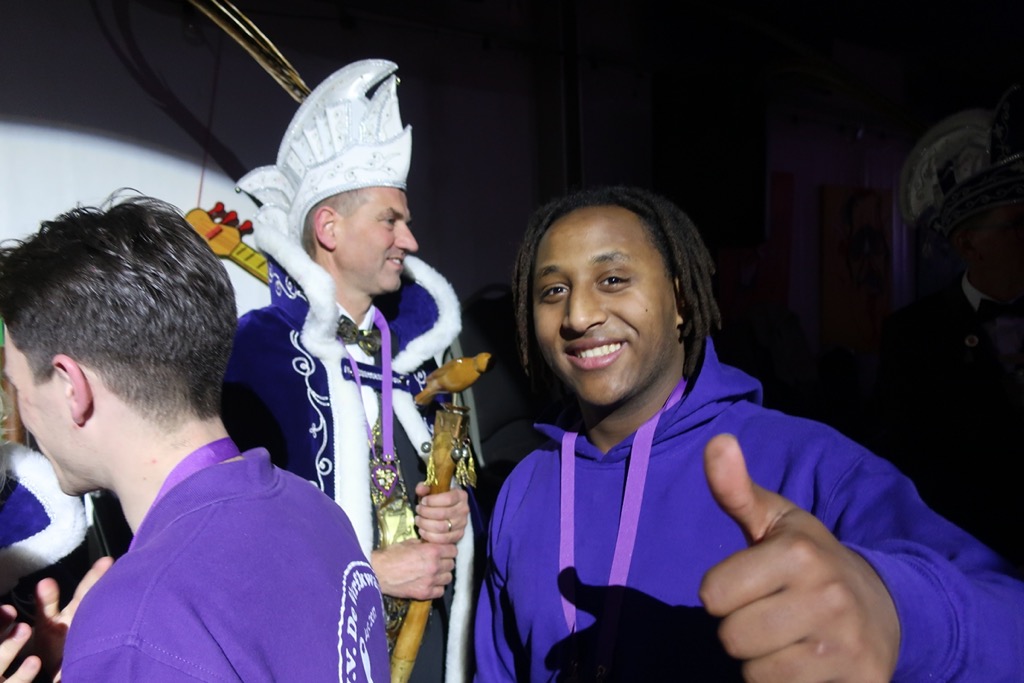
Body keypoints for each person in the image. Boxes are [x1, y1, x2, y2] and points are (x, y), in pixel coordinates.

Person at [474, 185, 1024, 682]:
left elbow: (1009, 617)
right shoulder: (525, 487)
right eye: (553, 290)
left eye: (612, 280)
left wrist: (897, 613)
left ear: (681, 301)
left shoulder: (807, 464)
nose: (578, 315)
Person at [0, 195, 390, 681]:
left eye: (17, 387)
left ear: (70, 387)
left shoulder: (137, 623)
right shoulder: (317, 511)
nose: (22, 414)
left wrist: (114, 652)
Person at [222, 59, 473, 682]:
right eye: (391, 219)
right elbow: (230, 540)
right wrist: (367, 574)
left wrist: (457, 512)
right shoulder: (256, 356)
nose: (410, 241)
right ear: (328, 228)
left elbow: (454, 475)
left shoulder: (414, 355)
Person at [873, 83, 1024, 567]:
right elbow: (904, 468)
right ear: (968, 245)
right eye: (1018, 225)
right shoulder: (913, 336)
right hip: (965, 565)